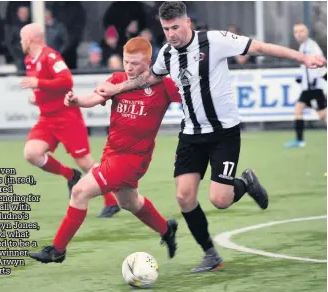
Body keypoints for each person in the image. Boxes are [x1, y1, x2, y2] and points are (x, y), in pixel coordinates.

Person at [95, 2, 327, 273]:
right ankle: (210, 255)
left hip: (223, 134)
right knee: (184, 197)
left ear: (188, 23)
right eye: (166, 28)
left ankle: (246, 183)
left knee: (221, 199)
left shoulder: (215, 40)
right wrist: (116, 88)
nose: (170, 34)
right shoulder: (167, 54)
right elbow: (148, 79)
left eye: (175, 27)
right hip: (191, 134)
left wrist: (304, 59)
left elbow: (260, 47)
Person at [28, 37, 180, 263]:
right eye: (126, 62)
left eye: (135, 63)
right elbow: (96, 96)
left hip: (133, 158)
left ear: (149, 63)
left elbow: (191, 101)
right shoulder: (118, 80)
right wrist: (76, 100)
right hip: (112, 152)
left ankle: (57, 250)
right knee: (129, 203)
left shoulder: (163, 85)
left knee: (79, 192)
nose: (129, 68)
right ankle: (166, 229)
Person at [19, 23, 120, 217]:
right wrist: (37, 96)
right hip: (47, 119)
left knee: (85, 162)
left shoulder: (51, 56)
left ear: (31, 39)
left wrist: (38, 83)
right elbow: (46, 87)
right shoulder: (29, 59)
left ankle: (111, 201)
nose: (21, 42)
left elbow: (67, 81)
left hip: (67, 117)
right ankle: (69, 175)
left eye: (23, 38)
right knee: (31, 153)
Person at [284, 23, 327, 148]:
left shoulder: (312, 46)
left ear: (307, 32)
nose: (299, 34)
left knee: (322, 114)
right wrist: (301, 78)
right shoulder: (303, 46)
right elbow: (305, 67)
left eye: (301, 31)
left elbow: (321, 63)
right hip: (307, 87)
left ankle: (300, 140)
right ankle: (299, 140)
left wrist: (317, 78)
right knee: (302, 110)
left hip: (314, 87)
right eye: (296, 32)